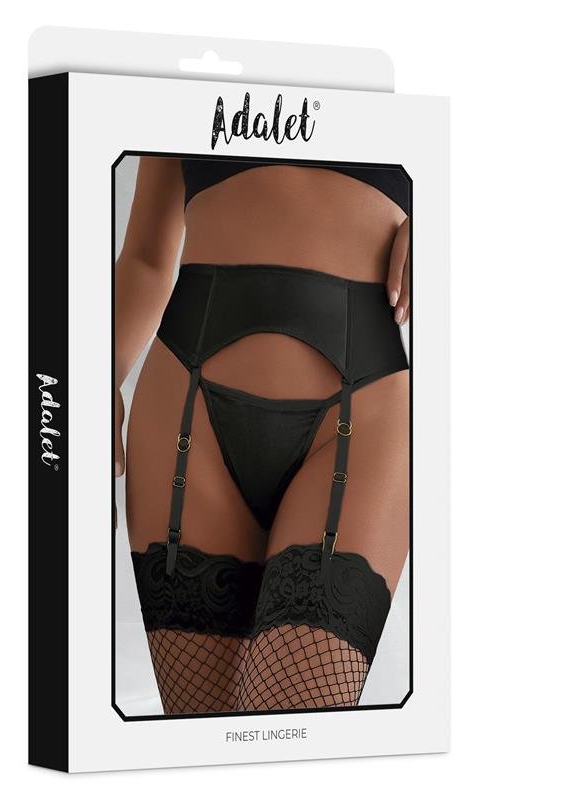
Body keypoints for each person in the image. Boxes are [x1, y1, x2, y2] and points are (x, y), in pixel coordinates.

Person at [114, 156, 410, 713]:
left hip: (360, 415)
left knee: (298, 737)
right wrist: (93, 381)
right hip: (187, 409)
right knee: (205, 747)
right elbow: (148, 258)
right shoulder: (177, 100)